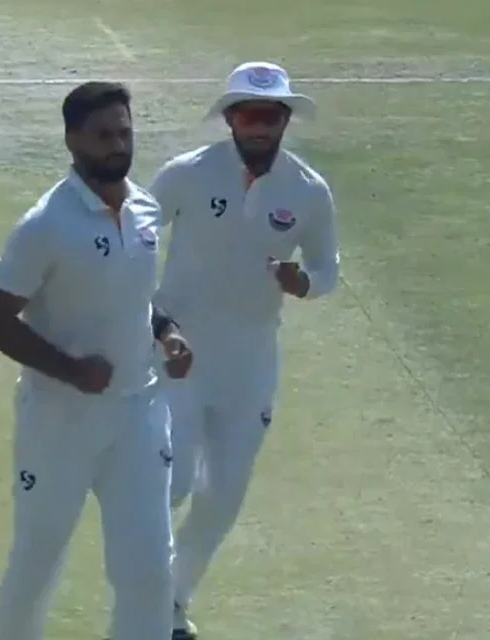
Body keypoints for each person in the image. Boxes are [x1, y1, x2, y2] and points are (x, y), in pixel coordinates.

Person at [0, 80, 195, 640]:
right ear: (73, 140)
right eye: (102, 136)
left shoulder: (146, 209)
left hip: (140, 418)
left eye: (124, 132)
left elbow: (136, 299)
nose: (117, 145)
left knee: (148, 571)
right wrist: (72, 370)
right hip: (58, 422)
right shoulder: (45, 226)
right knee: (36, 565)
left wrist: (167, 334)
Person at [149, 61, 341, 640]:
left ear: (284, 120)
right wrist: (158, 326)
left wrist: (303, 283)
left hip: (251, 363)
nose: (259, 126)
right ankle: (145, 593)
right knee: (174, 481)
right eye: (249, 115)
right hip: (179, 355)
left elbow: (328, 267)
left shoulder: (307, 190)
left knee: (222, 496)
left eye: (271, 116)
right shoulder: (186, 174)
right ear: (231, 118)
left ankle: (172, 605)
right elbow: (133, 248)